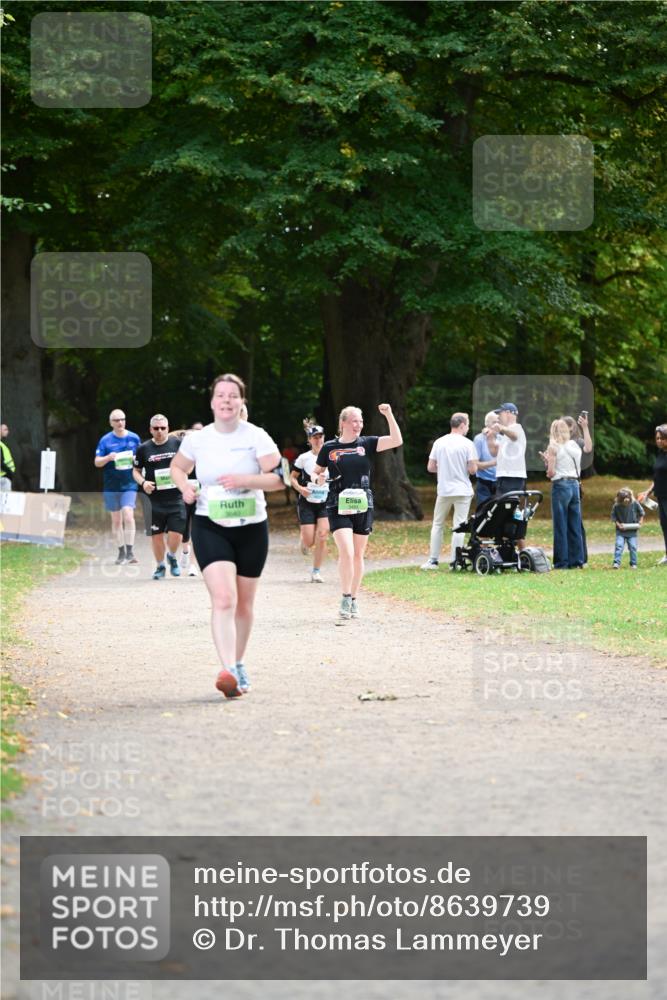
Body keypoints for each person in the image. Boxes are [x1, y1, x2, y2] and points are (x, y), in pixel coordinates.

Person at [170, 374, 283, 696]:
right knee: (223, 599)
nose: (227, 400)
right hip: (210, 525)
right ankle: (228, 670)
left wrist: (246, 479)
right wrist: (185, 487)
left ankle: (239, 662)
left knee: (244, 604)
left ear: (241, 401)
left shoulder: (256, 436)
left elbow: (278, 478)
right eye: (221, 395)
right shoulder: (197, 439)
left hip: (251, 527)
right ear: (212, 402)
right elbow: (177, 468)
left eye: (233, 395)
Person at [313, 403, 403, 622]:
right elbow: (317, 473)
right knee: (346, 550)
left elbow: (396, 440)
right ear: (343, 422)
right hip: (337, 502)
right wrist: (319, 479)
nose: (358, 425)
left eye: (361, 421)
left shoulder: (367, 443)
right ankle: (344, 596)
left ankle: (354, 598)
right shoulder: (329, 448)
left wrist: (388, 414)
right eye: (354, 420)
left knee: (358, 555)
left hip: (362, 502)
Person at [421, 413, 478, 570]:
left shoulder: (439, 442)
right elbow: (473, 470)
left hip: (445, 489)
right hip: (462, 490)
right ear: (461, 425)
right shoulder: (468, 444)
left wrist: (444, 467)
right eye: (467, 424)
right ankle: (455, 561)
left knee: (437, 524)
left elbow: (430, 467)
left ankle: (433, 560)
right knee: (459, 525)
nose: (468, 427)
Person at [133, 415, 186, 580]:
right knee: (156, 536)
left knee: (176, 533)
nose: (160, 431)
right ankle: (160, 566)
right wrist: (143, 483)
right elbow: (135, 471)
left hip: (176, 497)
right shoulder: (143, 448)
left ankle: (172, 556)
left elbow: (189, 466)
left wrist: (182, 477)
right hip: (153, 500)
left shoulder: (178, 444)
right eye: (156, 428)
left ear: (168, 428)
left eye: (163, 428)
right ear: (150, 430)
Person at [94, 409, 141, 564]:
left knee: (128, 514)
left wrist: (137, 460)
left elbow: (143, 458)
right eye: (116, 420)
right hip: (112, 485)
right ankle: (121, 553)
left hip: (129, 483)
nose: (120, 422)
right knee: (116, 520)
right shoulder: (105, 440)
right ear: (111, 423)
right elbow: (97, 462)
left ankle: (130, 552)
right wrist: (108, 458)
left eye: (122, 419)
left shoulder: (134, 438)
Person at [290, 422, 329, 582]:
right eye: (315, 438)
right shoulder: (304, 458)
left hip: (325, 502)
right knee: (309, 541)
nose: (318, 440)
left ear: (324, 438)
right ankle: (304, 540)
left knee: (322, 535)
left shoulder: (332, 456)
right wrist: (301, 489)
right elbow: (292, 478)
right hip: (307, 502)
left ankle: (316, 571)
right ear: (309, 440)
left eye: (320, 437)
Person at [544, 418, 584, 570]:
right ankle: (577, 560)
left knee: (560, 525)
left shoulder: (553, 447)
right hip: (574, 485)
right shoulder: (574, 445)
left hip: (560, 486)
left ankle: (562, 562)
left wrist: (548, 462)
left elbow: (551, 472)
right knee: (575, 524)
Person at [561, 413, 593, 565]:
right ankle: (569, 555)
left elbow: (588, 448)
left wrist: (585, 427)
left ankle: (581, 556)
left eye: (563, 426)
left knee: (576, 523)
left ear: (571, 427)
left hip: (573, 486)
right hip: (561, 485)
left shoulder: (576, 442)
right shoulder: (559, 442)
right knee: (566, 523)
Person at [638, 422, 667, 565]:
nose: (659, 441)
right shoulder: (661, 453)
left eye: (662, 438)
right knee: (664, 525)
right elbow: (658, 478)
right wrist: (648, 491)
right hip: (661, 496)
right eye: (657, 438)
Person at [610, 487, 644, 569]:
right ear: (619, 499)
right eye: (624, 501)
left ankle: (633, 563)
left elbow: (641, 513)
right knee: (619, 545)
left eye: (628, 500)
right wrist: (618, 525)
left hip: (632, 531)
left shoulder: (635, 503)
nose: (626, 502)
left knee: (633, 546)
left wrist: (640, 522)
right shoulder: (616, 506)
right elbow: (614, 518)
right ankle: (616, 563)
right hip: (621, 531)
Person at [473, 411, 497, 507]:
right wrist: (494, 463)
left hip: (500, 482)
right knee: (484, 511)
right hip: (484, 483)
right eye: (494, 422)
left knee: (499, 512)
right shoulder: (479, 439)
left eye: (498, 422)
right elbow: (475, 464)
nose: (497, 425)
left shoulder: (502, 438)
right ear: (487, 424)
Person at [0, 424, 15, 492]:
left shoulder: (2, 444)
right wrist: (10, 473)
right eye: (5, 429)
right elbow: (1, 462)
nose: (7, 431)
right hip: (3, 478)